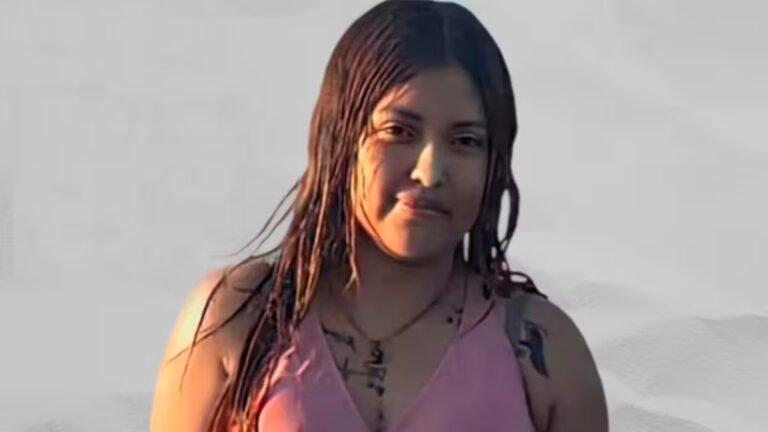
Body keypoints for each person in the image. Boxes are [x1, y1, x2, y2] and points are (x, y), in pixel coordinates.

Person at [149, 1, 608, 431]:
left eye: (465, 141)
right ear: (340, 137)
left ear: (496, 162)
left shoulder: (544, 357)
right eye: (398, 131)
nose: (430, 172)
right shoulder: (237, 319)